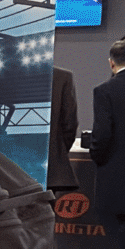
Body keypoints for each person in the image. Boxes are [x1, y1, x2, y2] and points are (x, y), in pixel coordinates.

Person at [89, 39, 125, 249]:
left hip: (117, 168)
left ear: (111, 63)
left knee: (120, 217)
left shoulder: (105, 90)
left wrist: (97, 156)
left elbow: (102, 134)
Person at [47, 66, 78, 196]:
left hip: (1, 171)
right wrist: (57, 150)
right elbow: (69, 124)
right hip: (49, 169)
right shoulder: (62, 76)